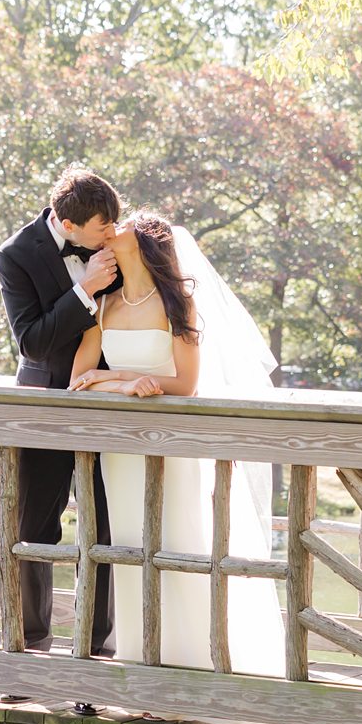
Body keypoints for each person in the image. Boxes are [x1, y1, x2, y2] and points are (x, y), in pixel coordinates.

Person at [68, 211, 288, 674]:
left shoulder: (178, 303)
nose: (111, 228)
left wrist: (121, 377)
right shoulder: (103, 307)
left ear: (146, 243)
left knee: (180, 545)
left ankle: (195, 667)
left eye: (121, 224)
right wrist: (121, 382)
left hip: (172, 448)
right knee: (130, 550)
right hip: (121, 453)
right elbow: (78, 380)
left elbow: (185, 383)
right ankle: (139, 665)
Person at [0, 165, 121, 657]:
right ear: (69, 226)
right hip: (43, 403)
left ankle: (96, 649)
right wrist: (85, 288)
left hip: (109, 403)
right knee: (33, 528)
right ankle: (29, 648)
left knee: (106, 530)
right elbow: (34, 343)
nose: (110, 235)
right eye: (100, 228)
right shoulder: (15, 256)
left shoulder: (115, 243)